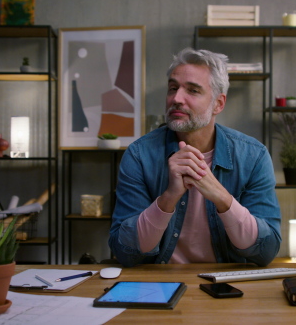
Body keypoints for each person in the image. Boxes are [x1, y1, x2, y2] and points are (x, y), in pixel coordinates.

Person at [108, 47, 281, 267]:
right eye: (172, 88)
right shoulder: (139, 156)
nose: (176, 98)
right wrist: (169, 197)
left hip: (226, 286)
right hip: (158, 283)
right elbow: (125, 252)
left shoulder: (253, 156)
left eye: (193, 90)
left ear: (218, 103)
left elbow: (266, 251)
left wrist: (221, 197)